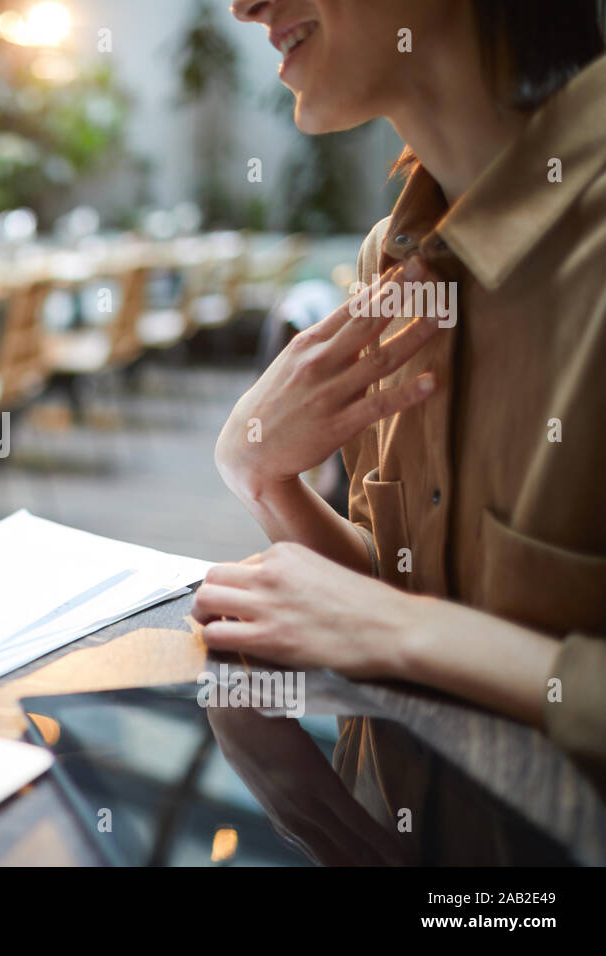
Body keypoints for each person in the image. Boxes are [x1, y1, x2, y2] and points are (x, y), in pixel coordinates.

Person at [197, 0, 606, 813]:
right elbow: (397, 588)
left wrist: (400, 633)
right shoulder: (393, 257)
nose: (244, 6)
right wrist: (260, 476)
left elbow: (395, 623)